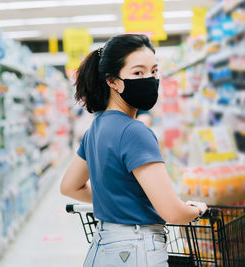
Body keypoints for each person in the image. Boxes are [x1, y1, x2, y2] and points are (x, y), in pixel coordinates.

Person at [60, 34, 207, 267]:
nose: (149, 79)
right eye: (138, 73)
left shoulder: (96, 128)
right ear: (112, 81)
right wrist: (197, 209)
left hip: (102, 249)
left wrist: (118, 200)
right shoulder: (134, 132)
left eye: (154, 71)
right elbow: (173, 213)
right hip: (138, 251)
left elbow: (69, 186)